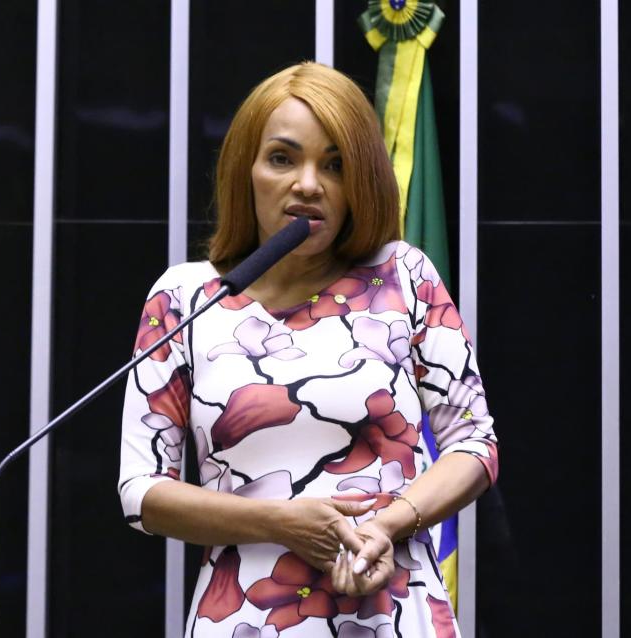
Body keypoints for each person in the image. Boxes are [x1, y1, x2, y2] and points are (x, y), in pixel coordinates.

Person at [118, 62, 498, 637]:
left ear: (361, 184)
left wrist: (388, 525)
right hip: (241, 617)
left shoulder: (405, 276)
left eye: (336, 165)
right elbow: (142, 490)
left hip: (392, 610)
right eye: (282, 158)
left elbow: (474, 443)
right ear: (245, 171)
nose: (308, 183)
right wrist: (282, 522)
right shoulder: (184, 298)